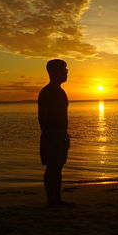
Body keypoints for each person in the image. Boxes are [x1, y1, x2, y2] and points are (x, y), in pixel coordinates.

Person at [38, 59, 73, 207]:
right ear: (55, 72)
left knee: (57, 168)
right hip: (52, 136)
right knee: (52, 167)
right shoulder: (47, 92)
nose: (66, 72)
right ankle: (51, 200)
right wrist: (50, 136)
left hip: (60, 134)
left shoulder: (60, 91)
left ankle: (56, 199)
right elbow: (43, 117)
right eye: (64, 69)